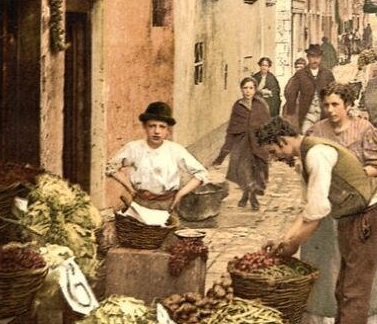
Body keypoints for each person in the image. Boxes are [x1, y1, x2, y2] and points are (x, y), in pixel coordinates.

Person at [256, 115, 377, 324]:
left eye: (274, 152)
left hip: (366, 219)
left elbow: (316, 215)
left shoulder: (316, 155)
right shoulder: (306, 157)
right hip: (351, 219)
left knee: (353, 294)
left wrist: (290, 247)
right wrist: (285, 239)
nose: (276, 158)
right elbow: (306, 209)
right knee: (343, 290)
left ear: (282, 141)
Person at [300, 83, 377, 324]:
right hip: (328, 206)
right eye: (326, 105)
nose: (330, 110)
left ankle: (369, 321)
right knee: (323, 263)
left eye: (335, 105)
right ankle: (323, 323)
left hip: (358, 205)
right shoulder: (317, 131)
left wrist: (355, 175)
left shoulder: (364, 129)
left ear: (348, 105)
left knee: (360, 267)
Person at [106, 101, 209, 210]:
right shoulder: (134, 148)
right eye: (152, 126)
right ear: (144, 127)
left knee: (166, 225)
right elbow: (111, 168)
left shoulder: (175, 150)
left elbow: (201, 173)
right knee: (138, 226)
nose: (156, 131)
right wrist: (130, 189)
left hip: (167, 204)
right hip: (140, 202)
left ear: (167, 130)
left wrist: (180, 194)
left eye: (162, 127)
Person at [214, 77, 270, 210]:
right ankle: (253, 199)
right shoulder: (238, 106)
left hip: (257, 144)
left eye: (251, 88)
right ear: (241, 89)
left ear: (255, 89)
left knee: (255, 172)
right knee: (244, 171)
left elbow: (267, 125)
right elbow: (232, 128)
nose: (248, 91)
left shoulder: (261, 105)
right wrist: (224, 152)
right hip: (241, 144)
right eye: (245, 88)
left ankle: (246, 195)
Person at [283, 44, 334, 133]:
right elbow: (289, 92)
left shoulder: (327, 74)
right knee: (306, 137)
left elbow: (334, 91)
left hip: (324, 115)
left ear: (321, 58)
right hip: (307, 114)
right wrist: (292, 110)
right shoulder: (300, 74)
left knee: (325, 139)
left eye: (317, 57)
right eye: (312, 57)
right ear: (308, 57)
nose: (315, 60)